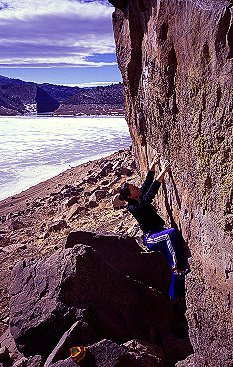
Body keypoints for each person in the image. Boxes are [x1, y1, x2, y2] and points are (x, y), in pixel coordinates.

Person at [119, 153, 189, 301]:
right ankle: (177, 267)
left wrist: (152, 167)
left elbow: (145, 186)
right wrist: (163, 172)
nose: (136, 186)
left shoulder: (136, 198)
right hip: (151, 238)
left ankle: (174, 296)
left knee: (170, 240)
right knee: (171, 234)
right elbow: (149, 194)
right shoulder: (134, 207)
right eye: (133, 188)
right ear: (131, 196)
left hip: (157, 233)